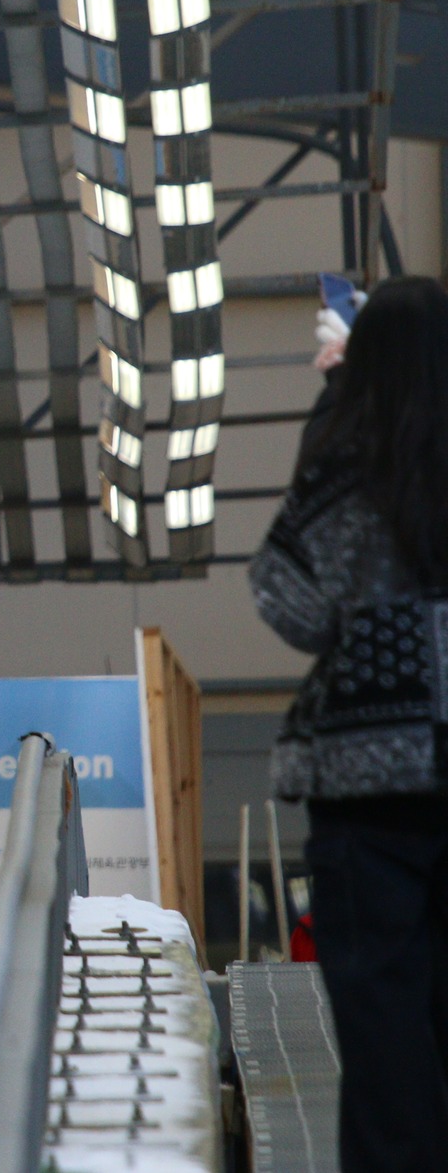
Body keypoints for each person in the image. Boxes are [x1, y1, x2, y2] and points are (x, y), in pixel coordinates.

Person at [250, 275, 448, 1172]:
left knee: (383, 1049)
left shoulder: (352, 463)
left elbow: (288, 603)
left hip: (370, 800)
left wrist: (332, 409)